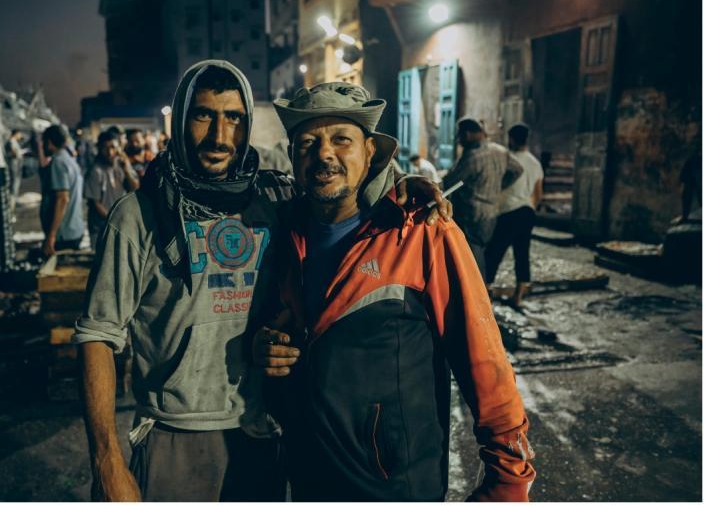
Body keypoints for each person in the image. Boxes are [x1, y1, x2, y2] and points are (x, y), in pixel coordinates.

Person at [73, 61, 450, 501]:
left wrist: (399, 186)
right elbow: (97, 336)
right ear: (178, 121)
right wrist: (107, 461)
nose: (219, 136)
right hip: (175, 440)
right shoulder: (137, 217)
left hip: (262, 433)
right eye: (203, 115)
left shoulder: (273, 198)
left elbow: (338, 191)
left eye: (233, 118)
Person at [253, 83, 536, 501]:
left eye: (341, 140)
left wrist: (509, 481)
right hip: (311, 477)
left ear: (370, 152)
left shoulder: (422, 230)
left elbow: (484, 359)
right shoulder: (285, 233)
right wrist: (265, 349)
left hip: (396, 485)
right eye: (308, 142)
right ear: (293, 156)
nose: (324, 154)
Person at [442, 117, 523, 277]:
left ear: (468, 134)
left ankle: (479, 295)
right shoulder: (500, 151)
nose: (458, 140)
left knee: (472, 257)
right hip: (492, 211)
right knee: (481, 252)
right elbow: (517, 169)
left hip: (472, 214)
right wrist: (499, 186)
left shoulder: (472, 157)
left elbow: (450, 182)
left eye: (460, 135)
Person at [484, 123, 544, 307]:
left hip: (509, 212)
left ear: (511, 138)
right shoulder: (535, 162)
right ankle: (517, 297)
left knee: (494, 252)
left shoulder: (506, 159)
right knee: (522, 254)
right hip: (527, 212)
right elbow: (538, 193)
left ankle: (486, 292)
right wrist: (529, 206)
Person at [83, 130, 140, 248]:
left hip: (121, 226)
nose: (110, 152)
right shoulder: (95, 171)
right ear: (99, 148)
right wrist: (114, 220)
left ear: (119, 148)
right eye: (105, 148)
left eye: (113, 147)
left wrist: (126, 170)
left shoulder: (122, 165)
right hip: (100, 228)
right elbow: (96, 203)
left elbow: (135, 188)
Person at [42, 124, 84, 256]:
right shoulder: (70, 160)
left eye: (44, 142)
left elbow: (62, 199)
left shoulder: (58, 162)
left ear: (49, 143)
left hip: (63, 234)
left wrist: (51, 236)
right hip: (75, 229)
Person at [5, 129, 24, 201]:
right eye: (19, 134)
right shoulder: (11, 142)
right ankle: (12, 201)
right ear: (16, 134)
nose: (20, 136)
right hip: (13, 166)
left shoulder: (14, 142)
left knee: (15, 183)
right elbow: (14, 153)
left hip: (16, 166)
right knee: (13, 184)